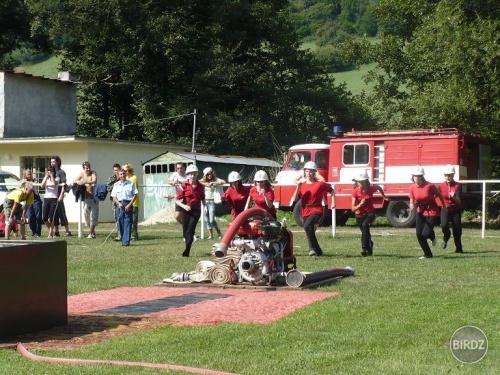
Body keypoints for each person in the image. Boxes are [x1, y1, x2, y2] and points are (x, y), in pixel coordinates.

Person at [291, 161, 335, 256]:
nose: (309, 173)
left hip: (317, 210)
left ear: (315, 172)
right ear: (304, 172)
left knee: (306, 226)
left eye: (311, 171)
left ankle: (311, 249)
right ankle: (317, 250)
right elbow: (295, 199)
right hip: (305, 210)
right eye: (307, 171)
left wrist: (333, 202)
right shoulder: (302, 185)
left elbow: (332, 191)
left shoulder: (319, 184)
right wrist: (297, 187)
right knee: (309, 230)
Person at [409, 166, 447, 259]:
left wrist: (444, 206)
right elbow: (412, 199)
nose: (416, 178)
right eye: (415, 176)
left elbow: (440, 195)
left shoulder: (429, 186)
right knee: (419, 234)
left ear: (422, 176)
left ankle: (432, 236)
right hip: (420, 211)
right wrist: (411, 205)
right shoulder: (412, 187)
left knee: (425, 234)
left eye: (418, 176)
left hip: (432, 211)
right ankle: (427, 254)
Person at [351, 170, 389, 257]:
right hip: (359, 215)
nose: (360, 183)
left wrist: (384, 196)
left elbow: (379, 187)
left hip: (370, 214)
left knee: (365, 226)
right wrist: (360, 204)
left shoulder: (371, 189)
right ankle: (370, 246)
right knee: (365, 232)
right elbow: (353, 209)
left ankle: (364, 248)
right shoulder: (355, 192)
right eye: (359, 181)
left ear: (366, 181)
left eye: (362, 181)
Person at [175, 165, 205, 257]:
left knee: (190, 230)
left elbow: (203, 198)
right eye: (191, 174)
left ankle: (187, 250)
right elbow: (176, 200)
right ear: (188, 175)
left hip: (196, 210)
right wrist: (184, 206)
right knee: (185, 231)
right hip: (186, 209)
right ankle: (188, 243)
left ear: (197, 175)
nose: (193, 176)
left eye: (194, 174)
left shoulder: (200, 186)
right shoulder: (183, 185)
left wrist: (205, 206)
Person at [439, 164, 463, 253]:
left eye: (449, 175)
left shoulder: (458, 185)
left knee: (457, 230)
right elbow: (436, 195)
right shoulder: (441, 185)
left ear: (453, 175)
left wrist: (453, 197)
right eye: (446, 175)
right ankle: (446, 236)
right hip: (445, 209)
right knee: (444, 225)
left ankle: (459, 248)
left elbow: (459, 201)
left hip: (455, 210)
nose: (448, 177)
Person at [111, 169, 138, 246]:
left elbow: (135, 194)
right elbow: (114, 196)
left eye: (123, 174)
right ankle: (123, 238)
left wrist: (130, 204)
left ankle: (126, 241)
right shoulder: (116, 185)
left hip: (128, 203)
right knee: (120, 222)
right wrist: (118, 203)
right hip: (119, 204)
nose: (122, 175)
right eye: (121, 174)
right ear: (119, 176)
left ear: (125, 174)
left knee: (128, 222)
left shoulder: (131, 183)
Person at [73, 161, 99, 238]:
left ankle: (91, 233)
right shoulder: (82, 174)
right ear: (84, 168)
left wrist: (85, 181)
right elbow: (74, 180)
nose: (88, 169)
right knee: (86, 215)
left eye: (89, 167)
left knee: (93, 216)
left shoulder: (93, 173)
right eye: (86, 168)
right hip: (86, 198)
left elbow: (94, 180)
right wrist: (78, 181)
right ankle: (92, 232)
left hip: (94, 197)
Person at [200, 167, 225, 240]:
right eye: (207, 174)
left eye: (210, 173)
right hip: (204, 202)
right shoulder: (203, 181)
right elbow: (197, 182)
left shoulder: (215, 179)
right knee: (207, 220)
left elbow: (223, 181)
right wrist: (206, 184)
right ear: (205, 175)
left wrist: (213, 183)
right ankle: (211, 235)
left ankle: (218, 231)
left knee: (212, 220)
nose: (209, 175)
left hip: (211, 202)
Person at [51, 156, 71, 237]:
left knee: (61, 213)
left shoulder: (61, 172)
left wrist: (61, 195)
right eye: (51, 162)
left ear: (57, 162)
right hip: (52, 196)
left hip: (59, 195)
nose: (52, 163)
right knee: (54, 214)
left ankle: (67, 231)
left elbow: (64, 185)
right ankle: (56, 231)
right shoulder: (51, 172)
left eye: (53, 161)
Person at [22, 168, 43, 238]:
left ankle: (38, 233)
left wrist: (30, 183)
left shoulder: (35, 180)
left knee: (38, 216)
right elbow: (19, 184)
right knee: (30, 217)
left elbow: (35, 185)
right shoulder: (24, 181)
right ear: (25, 175)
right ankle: (33, 231)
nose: (29, 175)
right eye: (28, 174)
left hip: (36, 199)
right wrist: (23, 182)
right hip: (28, 200)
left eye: (30, 174)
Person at [41, 167, 60, 238]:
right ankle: (51, 231)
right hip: (46, 198)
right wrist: (46, 177)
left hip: (54, 198)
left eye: (51, 171)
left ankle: (50, 234)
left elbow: (54, 184)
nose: (49, 172)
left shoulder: (57, 178)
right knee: (44, 218)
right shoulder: (46, 178)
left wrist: (52, 176)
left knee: (52, 217)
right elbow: (42, 185)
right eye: (48, 171)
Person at [123, 163, 140, 241]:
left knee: (134, 220)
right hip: (125, 202)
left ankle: (134, 235)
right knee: (127, 220)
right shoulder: (123, 178)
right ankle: (127, 235)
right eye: (124, 171)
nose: (125, 172)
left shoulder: (134, 178)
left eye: (127, 170)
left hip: (134, 202)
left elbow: (134, 191)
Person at [107, 163, 122, 241]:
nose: (117, 171)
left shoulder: (123, 177)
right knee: (117, 218)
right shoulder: (111, 178)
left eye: (118, 170)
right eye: (115, 170)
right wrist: (117, 183)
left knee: (124, 218)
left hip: (122, 200)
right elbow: (109, 188)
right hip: (114, 201)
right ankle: (119, 235)